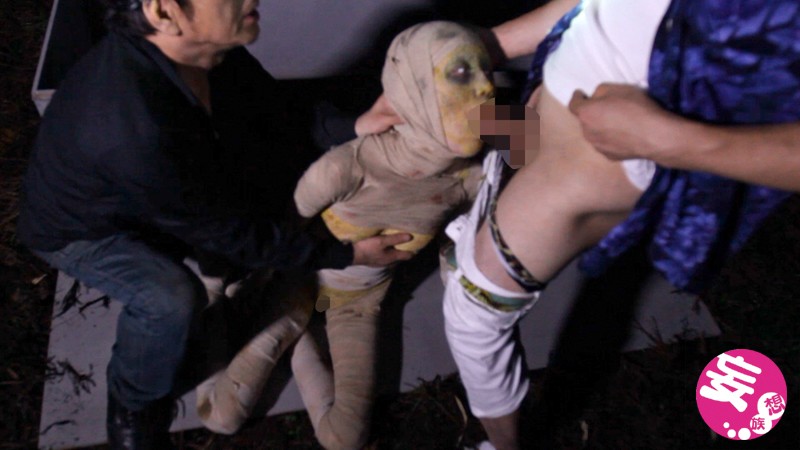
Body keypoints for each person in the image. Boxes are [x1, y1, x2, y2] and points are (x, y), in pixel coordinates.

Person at [358, 1, 800, 449]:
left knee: (473, 308)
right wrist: (475, 54)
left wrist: (669, 141)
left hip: (611, 147)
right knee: (496, 164)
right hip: (557, 83)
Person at [17, 1, 412, 448]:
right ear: (164, 12)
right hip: (81, 231)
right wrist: (348, 253)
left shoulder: (205, 51)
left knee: (258, 166)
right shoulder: (133, 126)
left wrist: (357, 124)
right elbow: (232, 234)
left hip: (152, 194)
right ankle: (134, 401)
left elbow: (279, 110)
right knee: (170, 299)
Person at [194, 22, 494, 450]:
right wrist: (268, 286)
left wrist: (459, 264)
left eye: (485, 73)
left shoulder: (472, 174)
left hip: (360, 302)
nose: (485, 88)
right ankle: (274, 318)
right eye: (463, 75)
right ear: (412, 92)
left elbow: (528, 141)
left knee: (344, 439)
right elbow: (286, 229)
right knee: (222, 417)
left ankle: (298, 335)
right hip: (301, 279)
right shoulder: (350, 165)